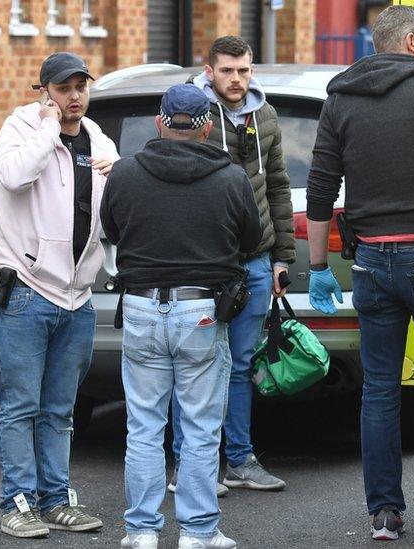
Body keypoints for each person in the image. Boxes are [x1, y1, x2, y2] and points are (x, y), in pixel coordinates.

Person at [304, 6, 414, 544]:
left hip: (371, 265)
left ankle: (383, 514)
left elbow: (319, 190)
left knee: (379, 389)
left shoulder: (341, 97)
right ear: (409, 41)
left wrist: (317, 267)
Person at [100, 84, 261, 549]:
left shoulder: (126, 174)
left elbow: (112, 230)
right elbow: (249, 239)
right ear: (207, 127)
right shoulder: (230, 178)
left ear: (159, 123)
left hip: (140, 307)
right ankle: (197, 532)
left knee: (144, 427)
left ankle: (142, 531)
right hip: (202, 312)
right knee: (199, 429)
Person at [0, 51, 118, 539]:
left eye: (81, 86)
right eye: (63, 88)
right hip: (25, 289)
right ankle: (17, 504)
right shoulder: (21, 128)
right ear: (45, 91)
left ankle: (57, 499)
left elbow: (110, 215)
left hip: (77, 295)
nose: (74, 96)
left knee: (60, 409)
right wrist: (47, 128)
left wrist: (118, 168)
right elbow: (15, 176)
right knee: (20, 404)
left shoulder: (97, 139)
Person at [169, 34, 294, 496]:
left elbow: (278, 185)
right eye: (227, 71)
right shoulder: (192, 114)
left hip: (256, 261)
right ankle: (187, 466)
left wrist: (283, 256)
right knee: (197, 364)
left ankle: (239, 460)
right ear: (209, 71)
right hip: (204, 264)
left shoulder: (265, 114)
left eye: (243, 70)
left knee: (240, 365)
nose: (237, 79)